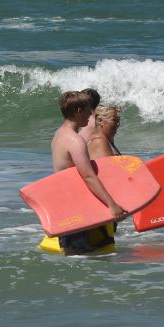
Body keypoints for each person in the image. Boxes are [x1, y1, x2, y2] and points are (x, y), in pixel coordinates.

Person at [51, 90, 124, 254]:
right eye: (88, 111)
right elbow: (88, 176)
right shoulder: (75, 140)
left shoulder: (59, 135)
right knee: (79, 256)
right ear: (78, 112)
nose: (91, 115)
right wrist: (111, 204)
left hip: (64, 204)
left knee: (74, 257)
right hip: (75, 207)